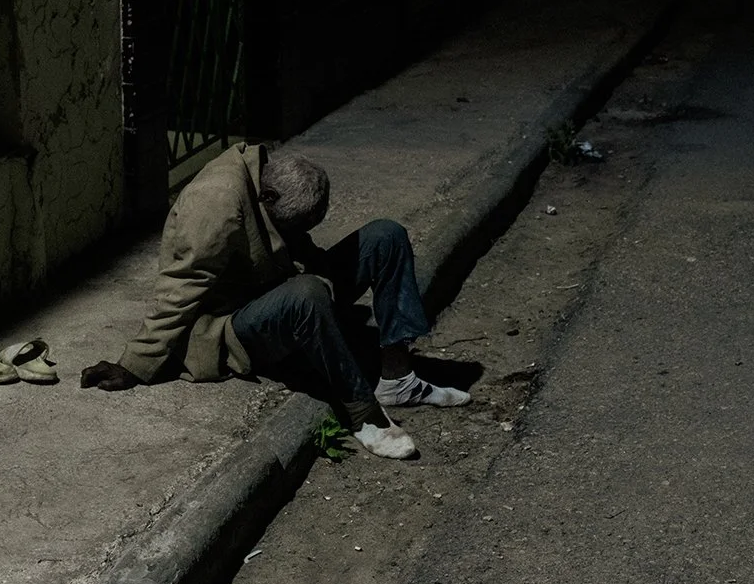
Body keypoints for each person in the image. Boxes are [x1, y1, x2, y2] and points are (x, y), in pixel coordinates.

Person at [80, 144, 469, 458]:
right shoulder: (213, 206)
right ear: (266, 197)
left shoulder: (269, 172)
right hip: (232, 325)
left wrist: (319, 267)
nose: (295, 235)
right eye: (291, 227)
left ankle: (398, 381)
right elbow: (177, 289)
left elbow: (299, 248)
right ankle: (362, 413)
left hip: (275, 290)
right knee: (306, 293)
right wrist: (134, 364)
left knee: (386, 236)